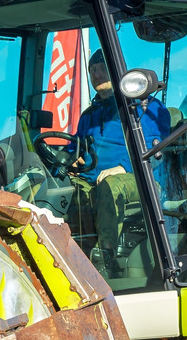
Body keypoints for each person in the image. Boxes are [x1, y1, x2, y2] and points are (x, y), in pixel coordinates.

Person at [68, 48, 171, 276]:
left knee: (110, 185)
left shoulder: (144, 107)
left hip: (140, 180)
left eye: (102, 68)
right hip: (93, 179)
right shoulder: (89, 116)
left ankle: (105, 260)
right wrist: (69, 162)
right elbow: (73, 147)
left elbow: (155, 148)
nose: (96, 74)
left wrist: (122, 167)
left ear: (117, 71)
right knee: (56, 191)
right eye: (92, 70)